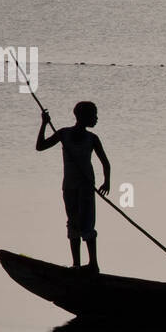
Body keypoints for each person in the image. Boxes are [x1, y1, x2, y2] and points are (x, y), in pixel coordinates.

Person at [36, 101, 110, 271]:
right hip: (69, 188)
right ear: (83, 117)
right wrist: (44, 124)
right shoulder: (64, 134)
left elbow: (106, 163)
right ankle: (76, 265)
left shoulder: (92, 138)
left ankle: (93, 264)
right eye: (94, 115)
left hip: (86, 187)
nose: (96, 118)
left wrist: (107, 181)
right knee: (73, 224)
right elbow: (40, 147)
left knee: (87, 224)